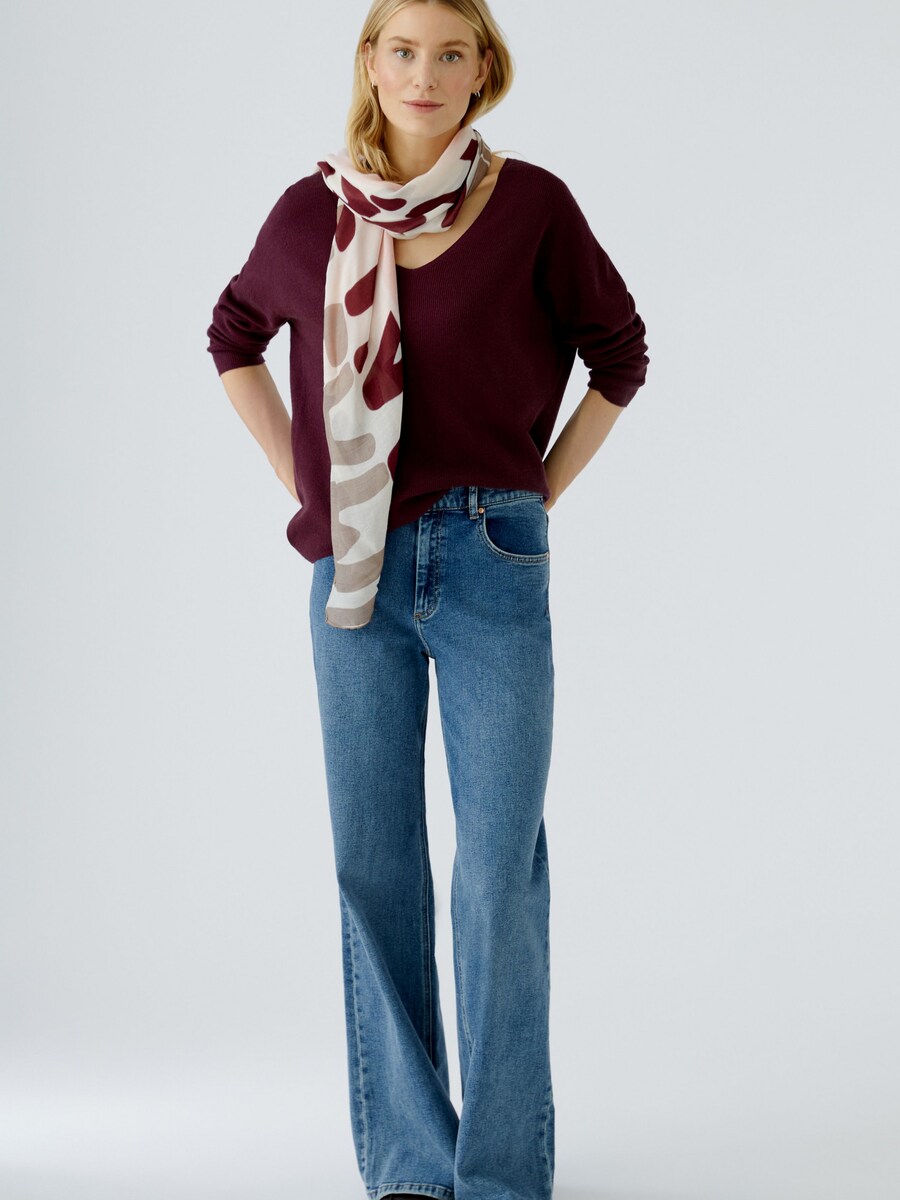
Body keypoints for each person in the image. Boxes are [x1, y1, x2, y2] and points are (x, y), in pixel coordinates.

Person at [206, 1, 649, 1197]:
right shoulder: (310, 216)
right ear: (370, 63)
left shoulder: (533, 207)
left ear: (482, 71)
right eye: (403, 49)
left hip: (492, 557)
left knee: (497, 874)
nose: (425, 73)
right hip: (353, 572)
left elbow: (621, 355)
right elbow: (233, 336)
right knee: (376, 870)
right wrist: (307, 480)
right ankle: (411, 1167)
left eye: (452, 52)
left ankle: (500, 1176)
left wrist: (531, 497)